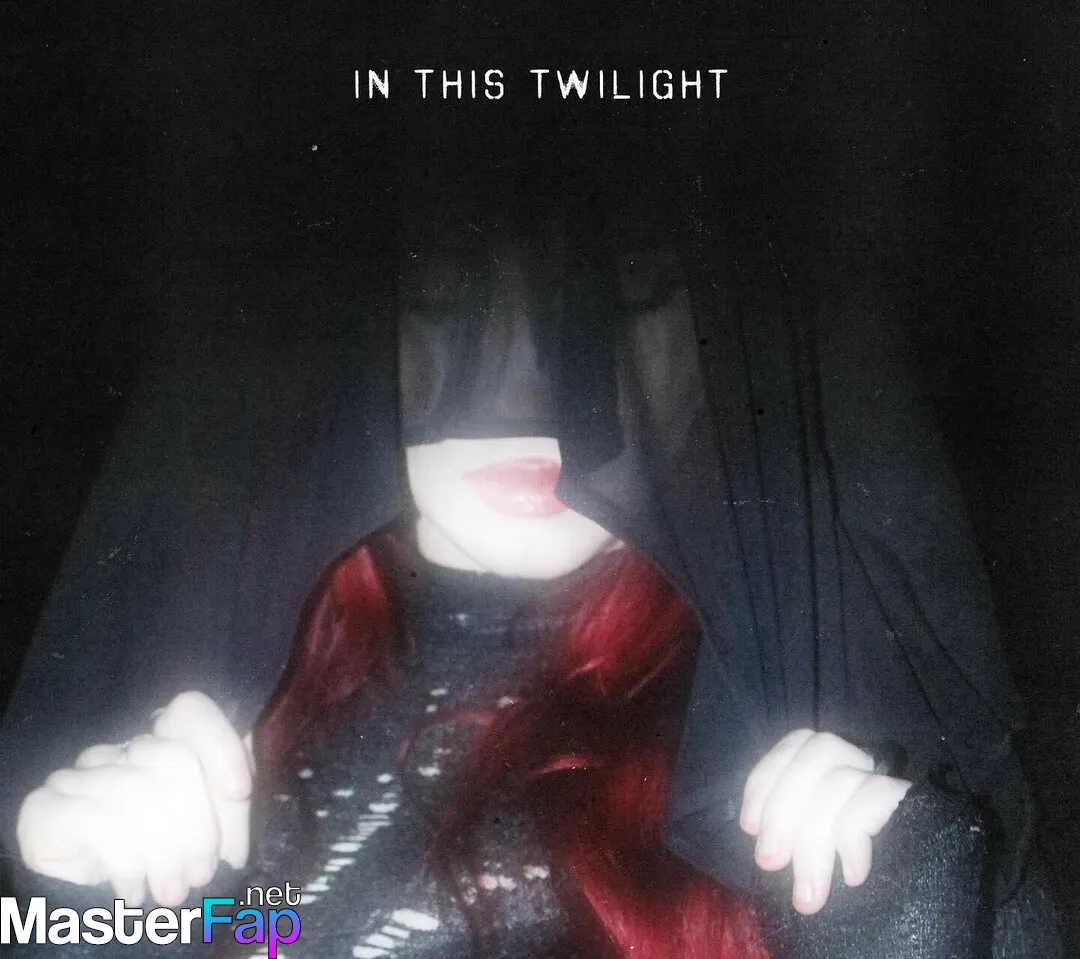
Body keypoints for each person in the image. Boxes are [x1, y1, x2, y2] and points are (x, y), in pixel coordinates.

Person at [2, 164, 1064, 957]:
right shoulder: (232, 687)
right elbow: (276, 926)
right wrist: (90, 913)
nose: (534, 392)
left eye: (619, 299)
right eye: (448, 293)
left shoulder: (829, 720)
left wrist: (907, 923)